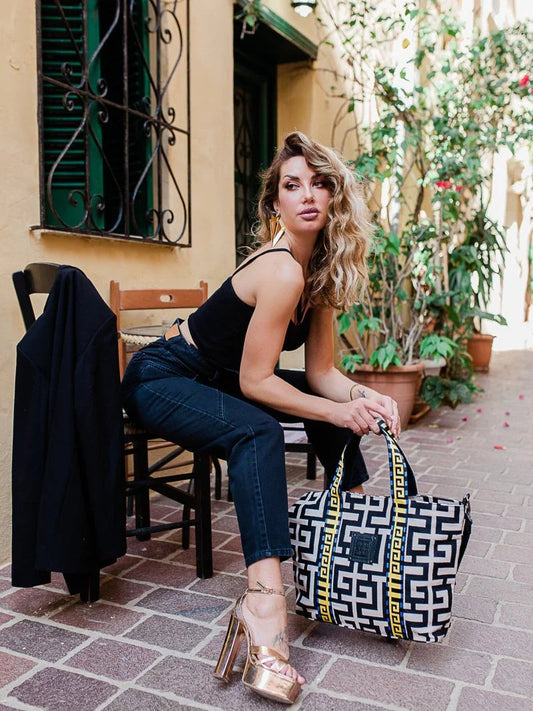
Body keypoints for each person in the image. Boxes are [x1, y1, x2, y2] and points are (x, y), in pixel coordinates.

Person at [121, 131, 400, 704]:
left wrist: (362, 397)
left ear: (334, 197)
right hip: (161, 377)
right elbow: (256, 383)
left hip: (213, 379)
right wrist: (338, 409)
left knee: (333, 412)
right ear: (275, 203)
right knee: (259, 430)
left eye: (319, 184)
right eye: (292, 186)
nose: (307, 195)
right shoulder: (280, 270)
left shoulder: (318, 275)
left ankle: (356, 544)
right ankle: (263, 605)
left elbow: (322, 373)